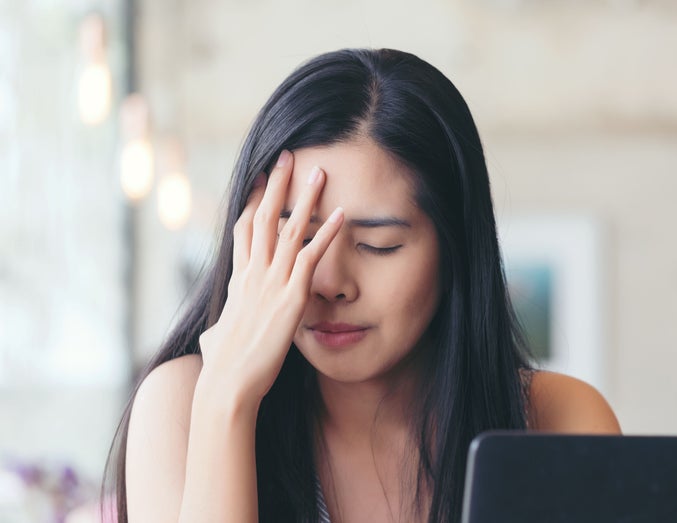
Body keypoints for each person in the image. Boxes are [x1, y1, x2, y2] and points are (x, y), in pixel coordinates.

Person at [103, 48, 620, 523]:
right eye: (297, 240)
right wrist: (228, 399)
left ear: (455, 249)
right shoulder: (183, 405)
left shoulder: (556, 421)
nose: (329, 283)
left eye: (379, 246)